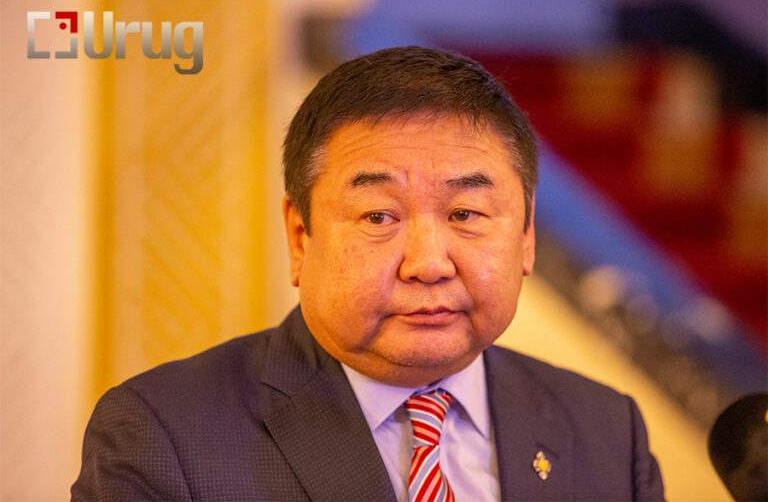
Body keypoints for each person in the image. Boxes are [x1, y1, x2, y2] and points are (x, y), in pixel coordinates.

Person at [72, 46, 664, 501]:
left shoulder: (608, 431)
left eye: (465, 214)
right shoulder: (163, 435)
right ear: (300, 237)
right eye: (379, 216)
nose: (428, 264)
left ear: (526, 235)